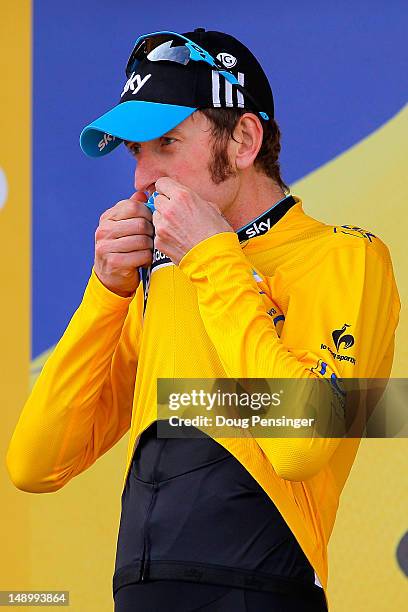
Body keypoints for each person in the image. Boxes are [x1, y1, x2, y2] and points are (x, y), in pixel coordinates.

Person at [7, 28, 400, 611]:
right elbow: (33, 464)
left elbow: (302, 446)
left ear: (243, 139)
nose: (142, 178)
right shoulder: (165, 281)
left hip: (263, 594)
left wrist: (214, 257)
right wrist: (107, 292)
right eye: (136, 151)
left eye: (166, 142)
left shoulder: (344, 257)